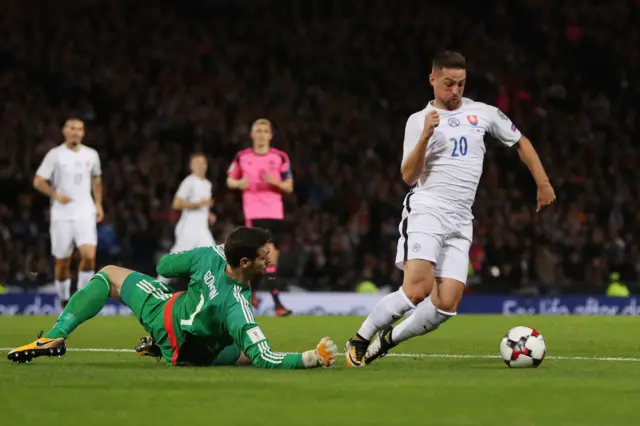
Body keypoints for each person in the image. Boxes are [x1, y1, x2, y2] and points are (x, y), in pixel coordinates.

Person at [345, 51, 556, 367]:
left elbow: (521, 142)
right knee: (417, 289)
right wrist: (426, 137)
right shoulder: (419, 121)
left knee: (446, 304)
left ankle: (388, 340)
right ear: (432, 80)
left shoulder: (483, 113)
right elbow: (407, 176)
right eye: (448, 84)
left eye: (460, 84)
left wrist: (543, 183)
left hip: (461, 217)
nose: (455, 91)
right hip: (428, 208)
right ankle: (360, 339)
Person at [8, 227, 338, 369]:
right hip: (190, 351)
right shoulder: (237, 305)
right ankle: (163, 346)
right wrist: (312, 357)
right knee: (249, 354)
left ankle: (55, 336)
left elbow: (163, 265)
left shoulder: (209, 254)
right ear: (245, 263)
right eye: (265, 256)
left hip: (165, 314)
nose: (270, 261)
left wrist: (196, 260)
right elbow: (267, 357)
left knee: (108, 275)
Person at [33, 118, 103, 307]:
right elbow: (38, 181)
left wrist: (98, 204)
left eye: (79, 129)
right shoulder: (55, 155)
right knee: (62, 262)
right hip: (62, 215)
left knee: (89, 256)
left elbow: (96, 179)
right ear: (64, 131)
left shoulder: (92, 154)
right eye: (72, 128)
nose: (76, 132)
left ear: (83, 133)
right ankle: (64, 300)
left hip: (85, 212)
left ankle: (81, 301)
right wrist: (55, 195)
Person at [227, 118, 293, 316]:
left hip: (275, 214)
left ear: (270, 135)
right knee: (268, 259)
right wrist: (239, 184)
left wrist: (275, 182)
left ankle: (252, 293)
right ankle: (278, 305)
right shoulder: (242, 157)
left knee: (267, 261)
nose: (262, 134)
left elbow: (289, 186)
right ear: (252, 135)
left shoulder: (280, 157)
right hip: (254, 214)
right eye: (258, 131)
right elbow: (230, 179)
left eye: (266, 131)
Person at [157, 153, 216, 284]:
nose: (201, 166)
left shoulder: (207, 184)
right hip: (188, 228)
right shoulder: (189, 182)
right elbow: (176, 203)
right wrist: (197, 204)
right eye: (197, 163)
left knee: (213, 258)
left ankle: (209, 293)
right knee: (176, 259)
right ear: (191, 166)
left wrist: (208, 214)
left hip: (202, 229)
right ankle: (157, 286)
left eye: (203, 163)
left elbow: (203, 206)